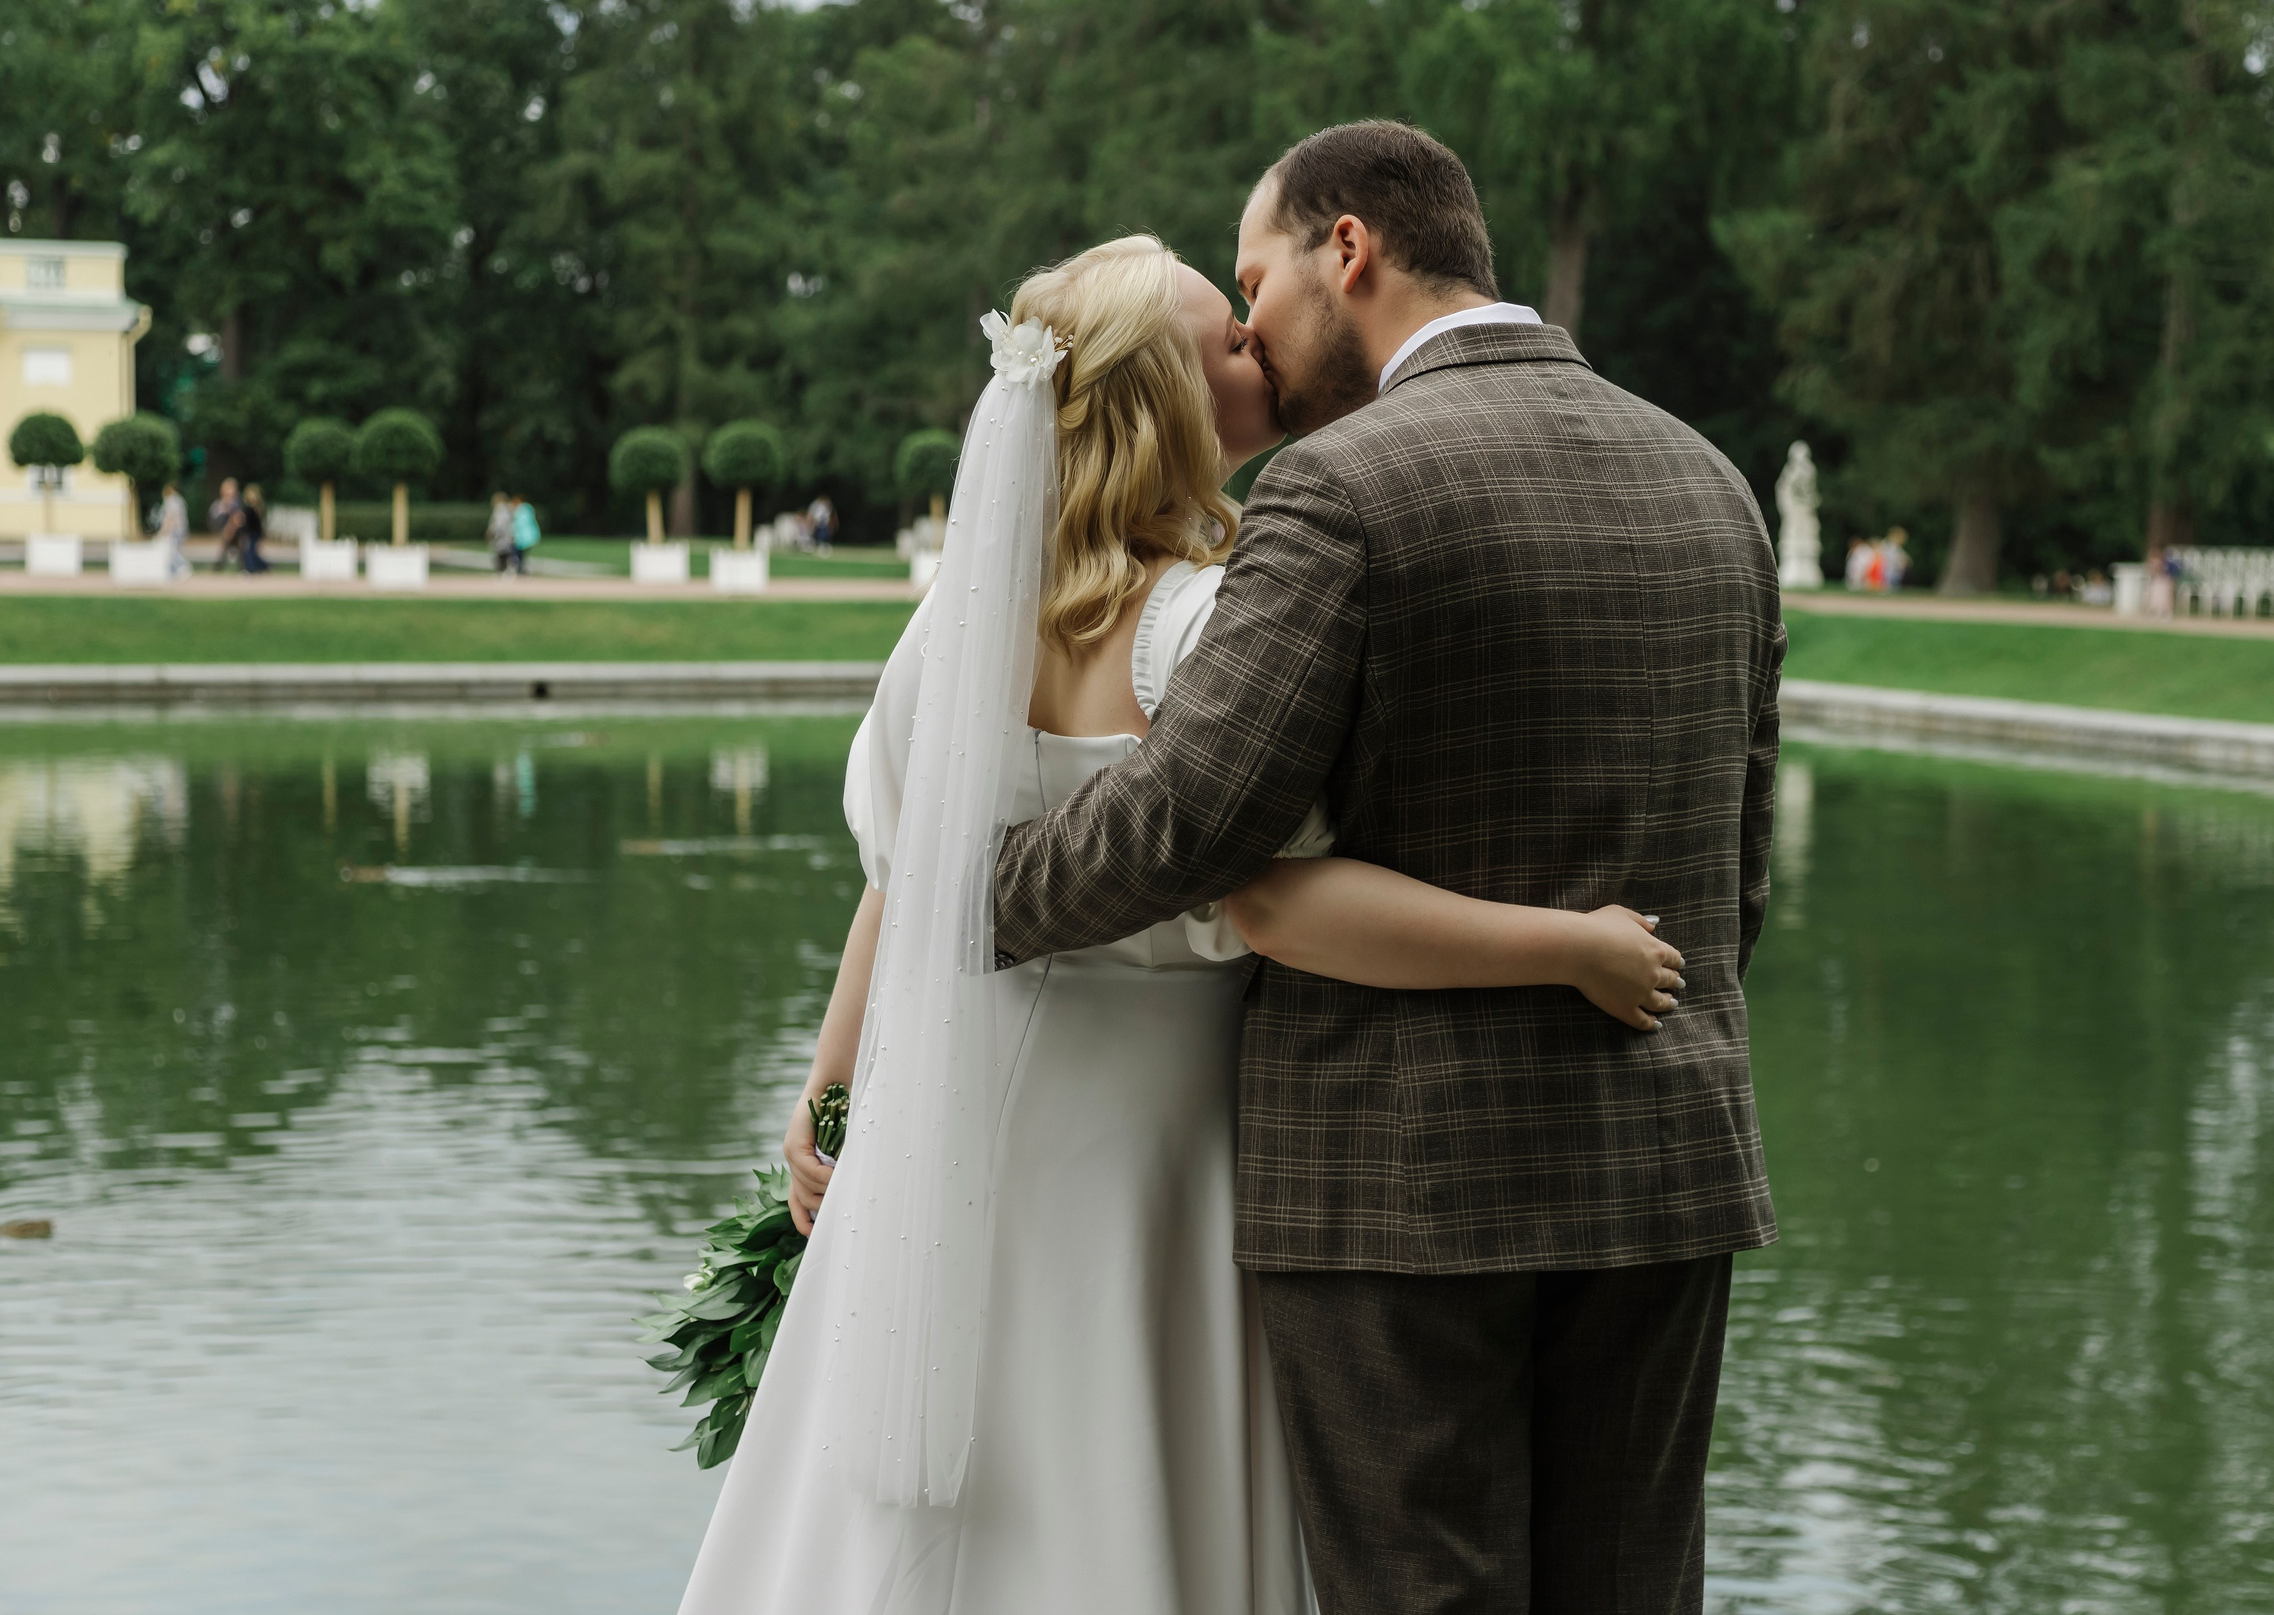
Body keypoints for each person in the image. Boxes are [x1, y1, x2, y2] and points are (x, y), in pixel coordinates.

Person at [679, 233, 1689, 1615]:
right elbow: (1280, 904)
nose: (1257, 347)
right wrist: (1565, 942)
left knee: (919, 1510)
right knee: (1122, 1468)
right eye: (1227, 338)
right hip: (1151, 1143)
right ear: (1171, 401)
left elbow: (901, 877)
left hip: (947, 1118)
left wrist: (832, 1091)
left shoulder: (958, 623)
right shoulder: (1200, 625)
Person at [990, 123, 1783, 1612]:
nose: (1250, 332)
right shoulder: (1714, 481)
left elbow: (1189, 824)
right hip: (1664, 1160)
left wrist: (973, 891)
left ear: (1343, 250)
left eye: (1255, 279)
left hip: (1396, 1189)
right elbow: (1738, 878)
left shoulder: (1339, 488)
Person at [156, 483, 190, 579]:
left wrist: (164, 530)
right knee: (175, 549)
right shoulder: (179, 500)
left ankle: (182, 567)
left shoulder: (172, 500)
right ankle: (175, 570)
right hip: (181, 529)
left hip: (175, 530)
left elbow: (171, 517)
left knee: (173, 550)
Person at [208, 477, 242, 573]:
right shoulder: (218, 504)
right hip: (221, 531)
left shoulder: (238, 504)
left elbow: (241, 519)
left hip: (236, 533)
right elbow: (212, 521)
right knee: (228, 531)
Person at [236, 482, 269, 574]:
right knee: (248, 551)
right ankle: (253, 568)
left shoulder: (259, 509)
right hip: (247, 533)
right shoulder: (246, 509)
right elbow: (243, 523)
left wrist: (261, 537)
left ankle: (258, 567)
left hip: (255, 533)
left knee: (251, 551)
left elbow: (259, 525)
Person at [485, 492, 516, 573]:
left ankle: (503, 570)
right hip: (507, 535)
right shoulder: (508, 509)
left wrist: (491, 532)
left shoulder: (499, 509)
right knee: (506, 553)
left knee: (501, 554)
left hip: (500, 536)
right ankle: (506, 569)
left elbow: (498, 525)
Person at [508, 493, 540, 571]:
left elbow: (520, 525)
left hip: (522, 538)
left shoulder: (521, 510)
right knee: (520, 555)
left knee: (516, 553)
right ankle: (521, 568)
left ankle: (519, 568)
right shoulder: (527, 509)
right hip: (525, 537)